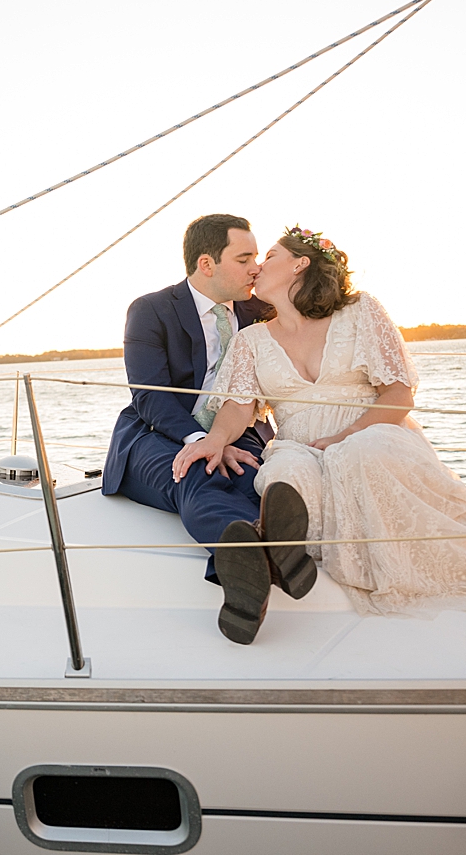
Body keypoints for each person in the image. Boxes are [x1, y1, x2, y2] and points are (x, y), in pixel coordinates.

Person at [173, 226, 466, 624]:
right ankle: (268, 558)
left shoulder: (360, 312)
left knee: (361, 453)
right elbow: (238, 408)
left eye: (268, 257)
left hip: (371, 433)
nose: (256, 267)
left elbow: (398, 395)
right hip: (300, 443)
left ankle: (291, 553)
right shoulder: (250, 340)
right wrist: (214, 440)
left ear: (299, 264)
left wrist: (342, 438)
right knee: (287, 473)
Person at [104, 214, 320, 645]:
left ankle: (244, 566)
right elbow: (150, 397)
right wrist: (203, 441)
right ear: (207, 264)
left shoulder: (263, 312)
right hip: (156, 434)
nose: (256, 268)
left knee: (251, 475)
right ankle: (269, 553)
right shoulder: (151, 310)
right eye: (244, 259)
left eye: (258, 257)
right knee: (198, 472)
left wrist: (224, 439)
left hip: (238, 432)